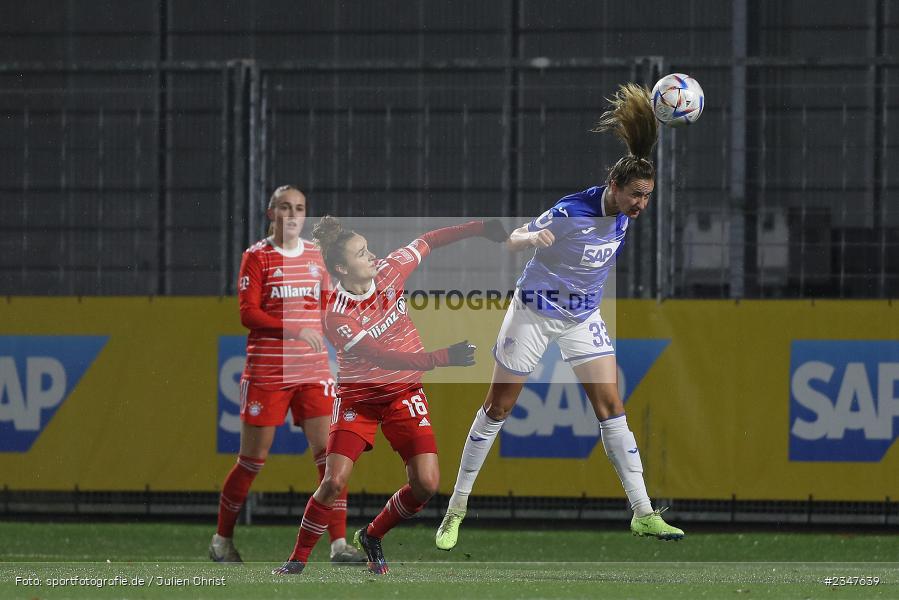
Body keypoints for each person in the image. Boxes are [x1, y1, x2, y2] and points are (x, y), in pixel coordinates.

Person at [435, 83, 685, 551]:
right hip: (534, 311)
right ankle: (456, 510)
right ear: (613, 187)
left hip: (581, 316)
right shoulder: (571, 212)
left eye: (648, 196)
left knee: (611, 407)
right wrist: (531, 240)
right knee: (498, 408)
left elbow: (639, 162)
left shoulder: (626, 207)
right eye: (636, 196)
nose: (641, 205)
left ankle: (644, 513)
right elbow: (513, 240)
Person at [273, 215, 509, 575]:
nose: (373, 256)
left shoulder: (389, 270)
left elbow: (428, 240)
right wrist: (440, 357)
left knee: (426, 484)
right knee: (334, 481)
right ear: (341, 267)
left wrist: (479, 228)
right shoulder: (336, 314)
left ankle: (372, 535)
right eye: (362, 253)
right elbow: (380, 357)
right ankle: (297, 561)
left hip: (403, 393)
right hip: (359, 398)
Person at [210, 185, 366, 565]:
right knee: (252, 461)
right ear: (271, 214)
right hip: (268, 371)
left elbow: (328, 306)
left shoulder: (316, 257)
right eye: (284, 207)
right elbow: (248, 313)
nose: (292, 214)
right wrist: (295, 330)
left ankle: (339, 545)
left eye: (299, 208)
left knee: (329, 457)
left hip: (313, 371)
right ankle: (221, 540)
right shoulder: (257, 257)